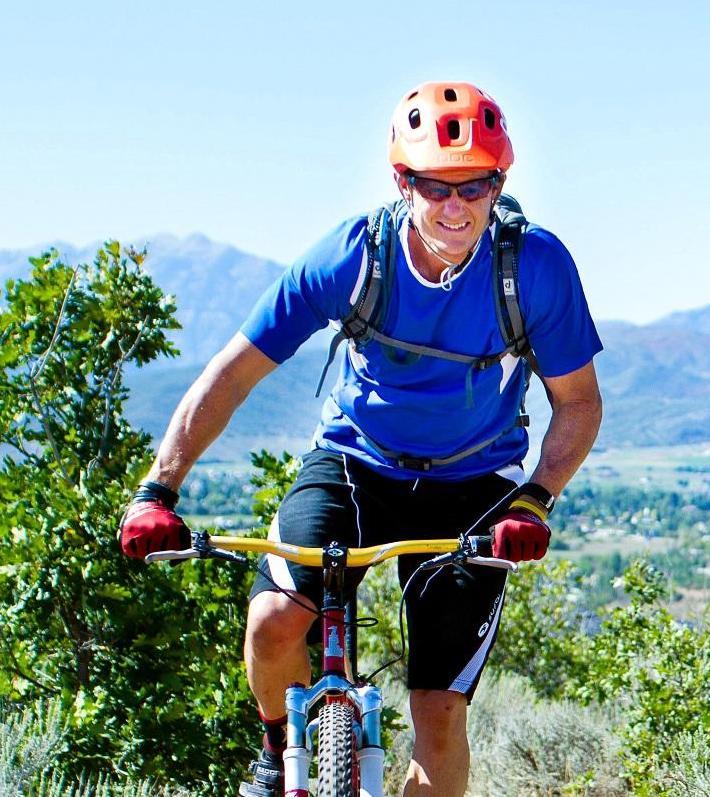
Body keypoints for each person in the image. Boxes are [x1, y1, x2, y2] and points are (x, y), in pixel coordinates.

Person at [116, 81, 604, 796]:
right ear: (402, 181)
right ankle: (276, 747)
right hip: (355, 464)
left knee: (439, 714)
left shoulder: (533, 268)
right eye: (435, 186)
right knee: (274, 619)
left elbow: (578, 403)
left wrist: (534, 499)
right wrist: (157, 489)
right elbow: (233, 371)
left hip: (473, 485)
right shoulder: (352, 258)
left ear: (499, 183)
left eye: (475, 185)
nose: (456, 206)